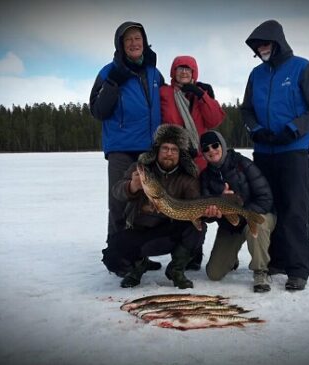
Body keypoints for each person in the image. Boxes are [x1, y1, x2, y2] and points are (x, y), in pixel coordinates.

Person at [241, 20, 309, 291]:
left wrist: (294, 130)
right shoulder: (256, 74)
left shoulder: (302, 68)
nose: (261, 49)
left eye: (265, 44)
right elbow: (246, 110)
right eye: (257, 47)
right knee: (268, 209)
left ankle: (297, 268)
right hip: (265, 152)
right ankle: (276, 261)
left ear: (277, 42)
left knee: (294, 210)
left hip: (293, 152)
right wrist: (256, 130)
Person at [89, 21, 164, 275]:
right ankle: (118, 258)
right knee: (119, 202)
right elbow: (97, 110)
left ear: (144, 41)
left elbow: (167, 103)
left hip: (149, 148)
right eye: (128, 39)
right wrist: (113, 84)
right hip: (121, 148)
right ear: (120, 45)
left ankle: (139, 255)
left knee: (144, 204)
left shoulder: (154, 73)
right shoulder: (108, 72)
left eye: (138, 38)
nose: (134, 43)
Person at [106, 124, 206, 289]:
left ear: (180, 153)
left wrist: (208, 212)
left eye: (174, 149)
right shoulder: (141, 170)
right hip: (142, 231)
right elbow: (117, 191)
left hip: (170, 232)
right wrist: (132, 186)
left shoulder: (187, 177)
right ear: (157, 150)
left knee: (198, 228)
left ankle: (176, 270)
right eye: (165, 148)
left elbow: (195, 204)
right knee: (112, 257)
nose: (169, 153)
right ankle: (139, 265)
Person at [160, 55, 226, 271]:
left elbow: (215, 120)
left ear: (195, 72)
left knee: (208, 208)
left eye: (188, 69)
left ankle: (220, 253)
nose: (184, 72)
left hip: (200, 163)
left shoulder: (201, 94)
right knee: (179, 210)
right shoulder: (164, 93)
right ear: (173, 72)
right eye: (180, 68)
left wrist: (202, 95)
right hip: (176, 160)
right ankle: (183, 254)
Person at [199, 131, 276, 293]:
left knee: (256, 226)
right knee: (214, 273)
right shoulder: (205, 177)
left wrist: (238, 209)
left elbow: (266, 198)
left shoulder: (243, 164)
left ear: (222, 145)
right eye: (206, 149)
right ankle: (230, 259)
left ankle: (261, 272)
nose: (211, 151)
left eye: (215, 145)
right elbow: (205, 210)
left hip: (258, 215)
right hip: (231, 225)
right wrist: (213, 210)